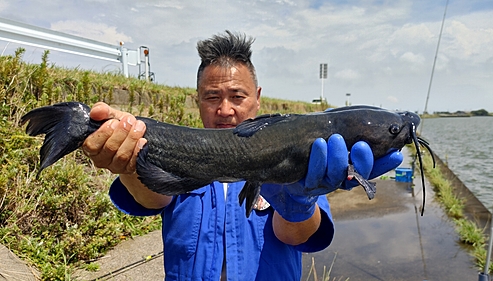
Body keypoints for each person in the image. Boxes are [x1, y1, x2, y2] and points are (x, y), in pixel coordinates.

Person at [82, 31, 403, 280]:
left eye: (237, 96)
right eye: (212, 97)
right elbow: (153, 197)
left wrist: (298, 204)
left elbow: (296, 234)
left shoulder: (301, 152)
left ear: (258, 98)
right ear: (197, 99)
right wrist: (129, 162)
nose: (225, 109)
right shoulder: (186, 153)